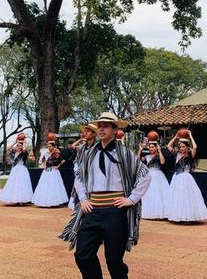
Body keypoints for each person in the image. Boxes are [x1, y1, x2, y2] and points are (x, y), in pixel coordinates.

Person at [60, 112, 151, 279]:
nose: (101, 129)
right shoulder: (88, 153)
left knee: (114, 261)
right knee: (82, 255)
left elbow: (145, 174)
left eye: (106, 126)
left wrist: (131, 199)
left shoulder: (125, 153)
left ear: (115, 130)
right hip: (92, 210)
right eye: (99, 126)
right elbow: (79, 176)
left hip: (115, 212)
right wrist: (83, 198)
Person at [165, 132, 207, 223]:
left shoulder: (190, 155)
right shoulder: (176, 154)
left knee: (186, 198)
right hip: (176, 178)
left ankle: (188, 217)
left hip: (186, 178)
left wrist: (191, 136)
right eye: (180, 147)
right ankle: (178, 216)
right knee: (177, 198)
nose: (181, 148)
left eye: (183, 147)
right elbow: (169, 146)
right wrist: (176, 137)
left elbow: (195, 147)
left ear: (187, 147)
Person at [68, 123, 98, 210]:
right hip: (81, 180)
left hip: (93, 181)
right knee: (79, 206)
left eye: (88, 131)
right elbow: (76, 157)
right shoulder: (81, 148)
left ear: (94, 134)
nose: (85, 133)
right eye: (85, 131)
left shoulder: (98, 148)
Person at [137, 140, 168, 220]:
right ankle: (149, 213)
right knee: (149, 195)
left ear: (156, 147)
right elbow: (138, 161)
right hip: (148, 175)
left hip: (158, 175)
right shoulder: (147, 157)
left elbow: (162, 162)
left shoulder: (158, 155)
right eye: (150, 147)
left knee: (158, 194)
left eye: (152, 147)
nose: (151, 149)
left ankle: (159, 213)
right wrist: (140, 150)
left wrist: (160, 150)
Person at [32, 140, 68, 207]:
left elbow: (63, 160)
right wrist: (43, 165)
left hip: (54, 172)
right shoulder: (46, 153)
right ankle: (44, 201)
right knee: (45, 186)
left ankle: (54, 202)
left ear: (53, 147)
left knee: (53, 186)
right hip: (46, 171)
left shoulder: (56, 154)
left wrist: (58, 166)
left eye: (50, 146)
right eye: (48, 146)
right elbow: (42, 160)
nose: (49, 147)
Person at [0, 140, 34, 204]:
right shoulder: (14, 152)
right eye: (18, 145)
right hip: (15, 169)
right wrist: (15, 142)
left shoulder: (24, 153)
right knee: (14, 184)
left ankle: (21, 200)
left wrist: (24, 142)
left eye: (20, 145)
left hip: (22, 169)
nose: (19, 147)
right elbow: (8, 148)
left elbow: (24, 149)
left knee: (21, 184)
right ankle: (14, 199)